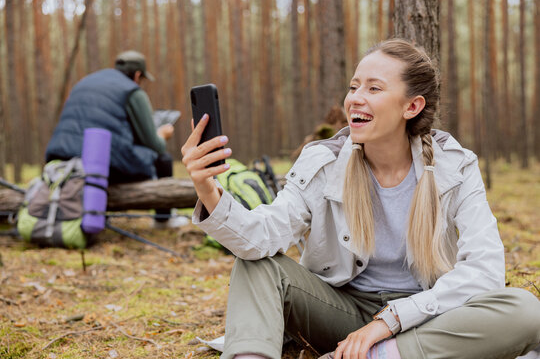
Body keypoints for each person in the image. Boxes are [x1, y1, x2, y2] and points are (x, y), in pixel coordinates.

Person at [181, 39, 540, 359]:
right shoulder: (323, 161)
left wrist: (390, 323)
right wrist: (207, 188)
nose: (355, 98)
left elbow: (485, 270)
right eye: (353, 86)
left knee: (525, 311)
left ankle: (379, 355)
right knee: (257, 264)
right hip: (341, 312)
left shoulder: (455, 166)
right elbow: (261, 236)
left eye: (374, 88)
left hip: (426, 318)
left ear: (411, 106)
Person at [45, 50, 187, 228]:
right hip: (102, 164)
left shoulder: (85, 82)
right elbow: (154, 145)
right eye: (142, 79)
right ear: (137, 75)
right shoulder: (132, 91)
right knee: (163, 158)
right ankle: (164, 220)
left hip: (62, 158)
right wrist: (162, 134)